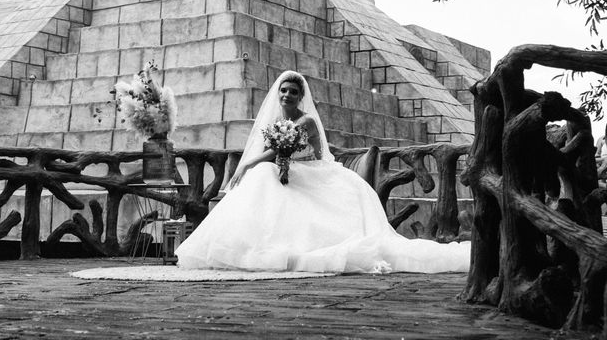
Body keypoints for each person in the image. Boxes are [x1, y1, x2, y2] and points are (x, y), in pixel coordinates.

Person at [175, 70, 470, 274]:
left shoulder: (307, 122)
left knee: (260, 172)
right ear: (278, 93)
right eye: (284, 90)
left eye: (293, 91)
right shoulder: (275, 122)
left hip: (311, 169)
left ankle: (279, 247)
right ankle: (244, 246)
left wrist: (254, 162)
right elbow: (271, 150)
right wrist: (262, 162)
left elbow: (307, 153)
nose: (287, 95)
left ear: (300, 96)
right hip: (283, 169)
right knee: (263, 176)